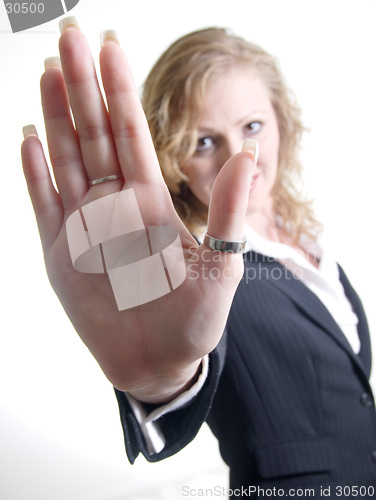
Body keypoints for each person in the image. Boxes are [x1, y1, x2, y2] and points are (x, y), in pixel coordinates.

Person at [21, 17, 376, 497]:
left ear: (281, 124)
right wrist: (161, 379)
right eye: (204, 141)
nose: (239, 156)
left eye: (252, 126)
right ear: (170, 153)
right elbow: (179, 377)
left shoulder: (308, 240)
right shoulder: (181, 267)